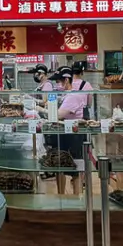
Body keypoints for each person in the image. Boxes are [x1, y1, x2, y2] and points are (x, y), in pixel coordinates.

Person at [50, 66, 88, 196]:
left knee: (75, 169)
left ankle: (77, 200)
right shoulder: (66, 95)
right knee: (59, 167)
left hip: (73, 136)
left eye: (59, 81)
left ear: (66, 80)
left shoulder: (74, 96)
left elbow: (58, 115)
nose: (57, 84)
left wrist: (40, 109)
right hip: (63, 135)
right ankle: (60, 197)